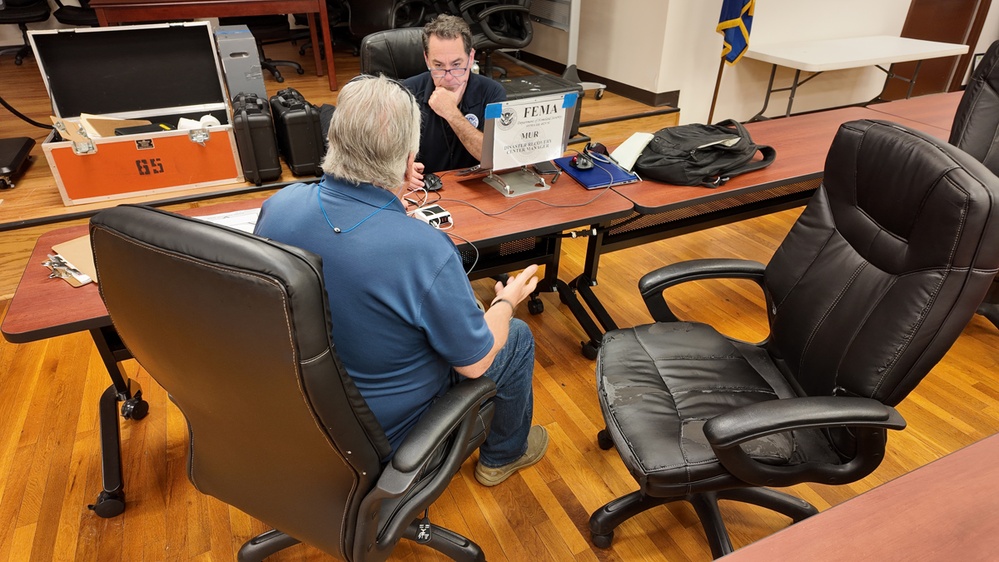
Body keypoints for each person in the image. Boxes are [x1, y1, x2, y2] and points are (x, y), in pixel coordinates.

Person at [252, 74, 547, 487]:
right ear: (411, 160)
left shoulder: (278, 206)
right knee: (513, 335)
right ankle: (503, 455)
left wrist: (389, 204)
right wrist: (506, 302)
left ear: (334, 139)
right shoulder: (424, 248)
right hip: (388, 437)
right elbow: (476, 362)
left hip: (301, 411)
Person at [403, 14, 507, 183]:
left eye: (457, 65)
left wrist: (451, 113)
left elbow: (493, 156)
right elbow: (384, 154)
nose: (449, 77)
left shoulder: (492, 92)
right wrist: (402, 169)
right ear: (426, 59)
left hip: (477, 190)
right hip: (423, 191)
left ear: (471, 57)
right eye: (438, 66)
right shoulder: (406, 93)